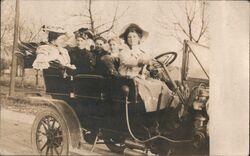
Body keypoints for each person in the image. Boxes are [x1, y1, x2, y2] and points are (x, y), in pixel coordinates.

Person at [118, 23, 179, 112]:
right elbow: (128, 61)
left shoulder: (143, 52)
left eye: (134, 37)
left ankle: (164, 112)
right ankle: (149, 114)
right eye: (129, 37)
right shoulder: (123, 51)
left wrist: (152, 67)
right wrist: (144, 61)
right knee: (149, 88)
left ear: (139, 38)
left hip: (141, 77)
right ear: (126, 39)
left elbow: (148, 65)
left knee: (162, 86)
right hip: (128, 79)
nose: (132, 39)